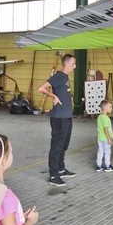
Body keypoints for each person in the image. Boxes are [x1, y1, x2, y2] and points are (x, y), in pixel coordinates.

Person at [37, 53, 77, 186]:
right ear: (66, 64)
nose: (75, 66)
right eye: (73, 64)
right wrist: (53, 96)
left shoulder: (64, 77)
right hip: (59, 118)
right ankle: (53, 176)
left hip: (66, 117)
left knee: (64, 145)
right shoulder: (59, 76)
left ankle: (60, 169)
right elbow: (41, 88)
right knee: (56, 146)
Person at [96, 99, 113, 172]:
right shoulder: (106, 118)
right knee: (107, 152)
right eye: (110, 107)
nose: (111, 109)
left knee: (100, 151)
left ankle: (99, 166)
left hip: (100, 138)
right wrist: (109, 138)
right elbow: (105, 129)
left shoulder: (99, 117)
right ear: (105, 108)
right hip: (106, 138)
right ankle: (107, 166)